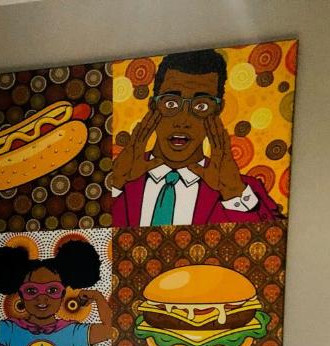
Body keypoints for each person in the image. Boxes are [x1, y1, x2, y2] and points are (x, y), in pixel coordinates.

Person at [112, 49, 281, 226]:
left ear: (218, 110)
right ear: (153, 105)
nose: (183, 121)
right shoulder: (118, 178)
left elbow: (274, 239)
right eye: (171, 103)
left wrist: (233, 192)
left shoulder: (242, 190)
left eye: (201, 106)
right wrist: (114, 183)